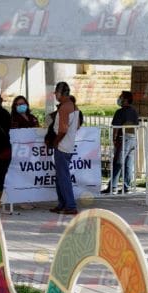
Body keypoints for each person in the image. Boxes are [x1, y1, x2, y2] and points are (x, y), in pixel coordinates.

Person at [49, 81, 81, 215]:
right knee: (60, 177)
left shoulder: (64, 107)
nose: (55, 95)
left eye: (56, 93)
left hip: (62, 146)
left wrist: (55, 142)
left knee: (63, 178)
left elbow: (62, 130)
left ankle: (70, 205)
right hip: (68, 145)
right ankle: (62, 204)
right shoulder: (73, 106)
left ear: (60, 93)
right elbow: (77, 126)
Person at [101, 91, 139, 194]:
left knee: (118, 162)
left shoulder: (120, 112)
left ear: (125, 100)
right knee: (128, 164)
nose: (119, 99)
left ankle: (112, 186)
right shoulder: (134, 111)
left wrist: (114, 139)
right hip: (133, 139)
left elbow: (116, 127)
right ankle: (126, 187)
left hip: (123, 139)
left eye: (121, 97)